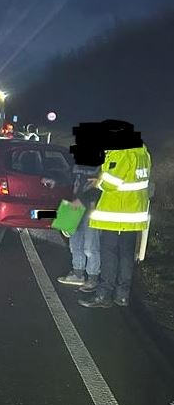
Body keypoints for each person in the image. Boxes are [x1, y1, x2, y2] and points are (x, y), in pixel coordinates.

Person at [79, 127, 151, 308]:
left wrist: (98, 182)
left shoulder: (120, 153)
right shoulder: (143, 153)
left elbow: (112, 184)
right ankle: (122, 296)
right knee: (126, 255)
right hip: (134, 214)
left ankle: (104, 295)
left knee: (109, 255)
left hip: (117, 214)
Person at [57, 163, 101, 289]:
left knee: (90, 246)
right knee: (75, 243)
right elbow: (69, 178)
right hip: (75, 205)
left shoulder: (100, 163)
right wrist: (54, 180)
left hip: (91, 207)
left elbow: (98, 187)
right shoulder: (76, 163)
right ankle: (77, 274)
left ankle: (93, 278)